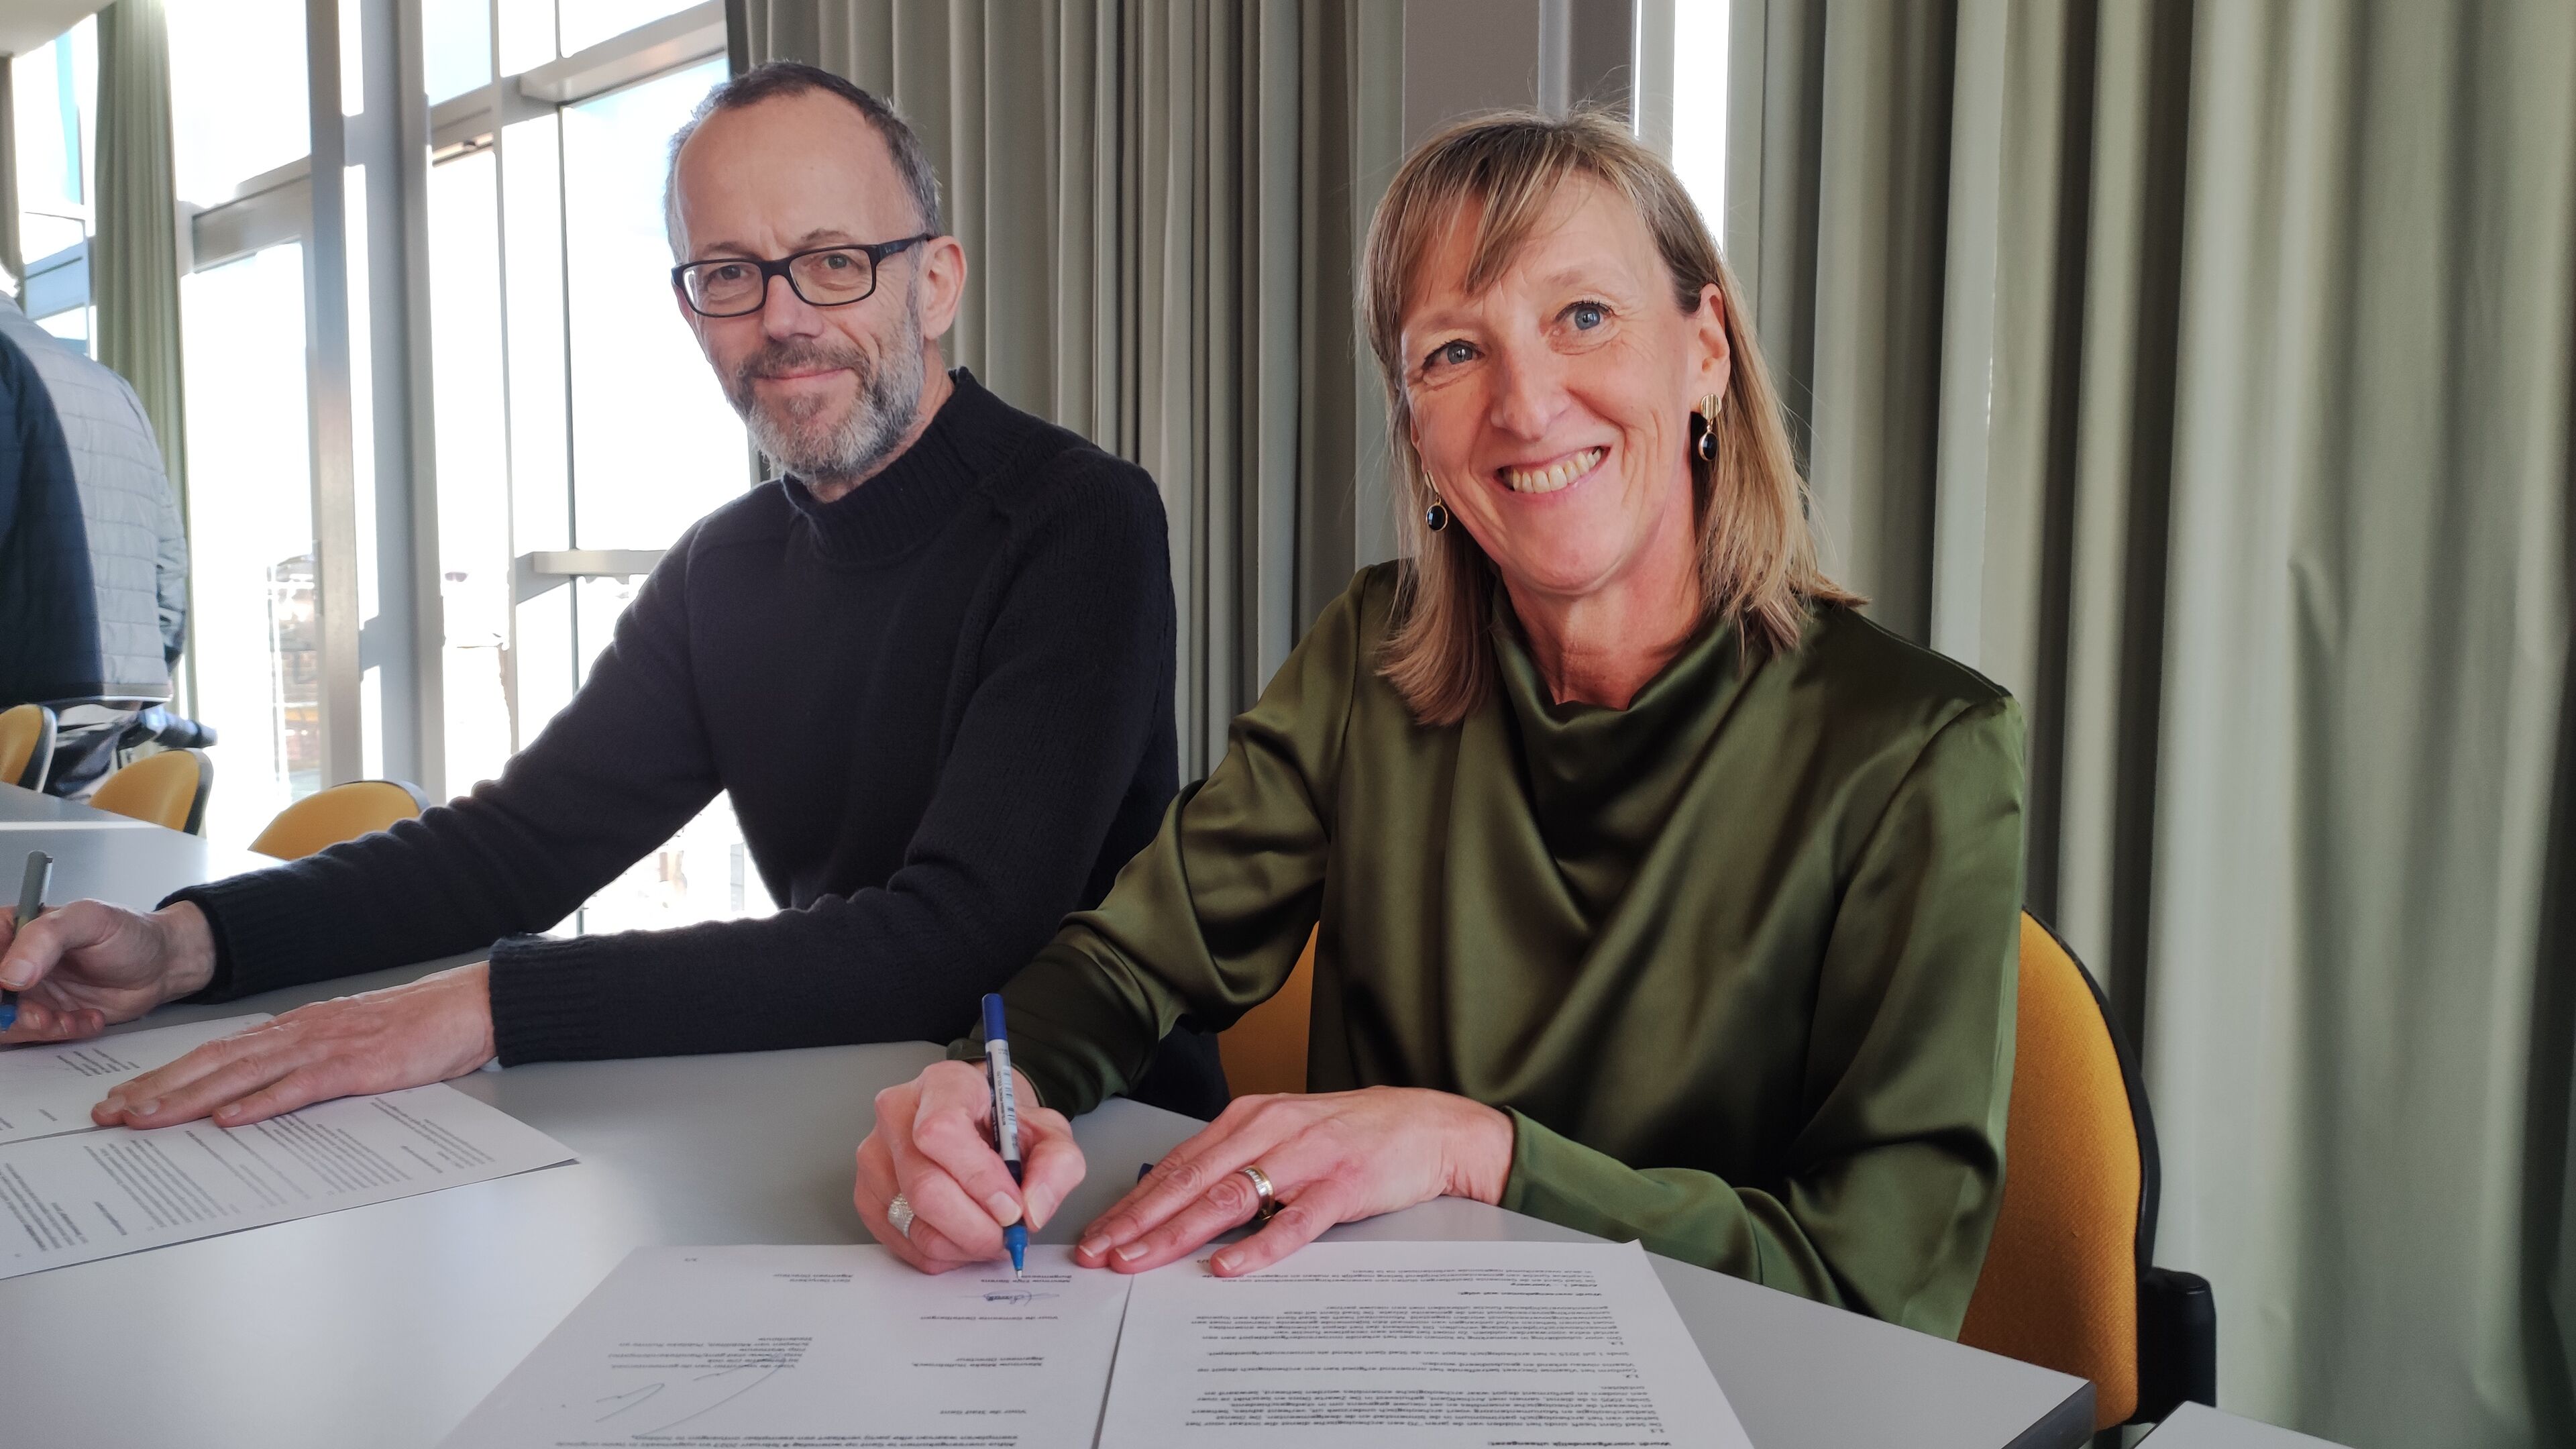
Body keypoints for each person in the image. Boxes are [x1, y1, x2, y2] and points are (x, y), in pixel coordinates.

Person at [853, 110, 2025, 1337]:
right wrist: (981, 1090)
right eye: (1455, 352)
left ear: (1706, 353)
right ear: (1416, 424)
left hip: (1727, 1391)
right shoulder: (1370, 654)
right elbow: (1126, 962)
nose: (1525, 404)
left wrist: (1479, 1154)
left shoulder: (1922, 752)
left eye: (1584, 316)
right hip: (1373, 1364)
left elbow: (1875, 1291)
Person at [0, 62, 1225, 1122]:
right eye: (730, 273)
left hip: (1087, 1141)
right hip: (839, 1103)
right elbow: (516, 849)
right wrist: (179, 945)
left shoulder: (1077, 520)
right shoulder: (724, 567)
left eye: (833, 262)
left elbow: (961, 943)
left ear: (937, 281)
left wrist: (488, 1004)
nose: (783, 319)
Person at [0, 278, 190, 795]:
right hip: (112, 693)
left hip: (16, 683)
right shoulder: (111, 385)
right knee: (65, 836)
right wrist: (150, 671)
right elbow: (168, 559)